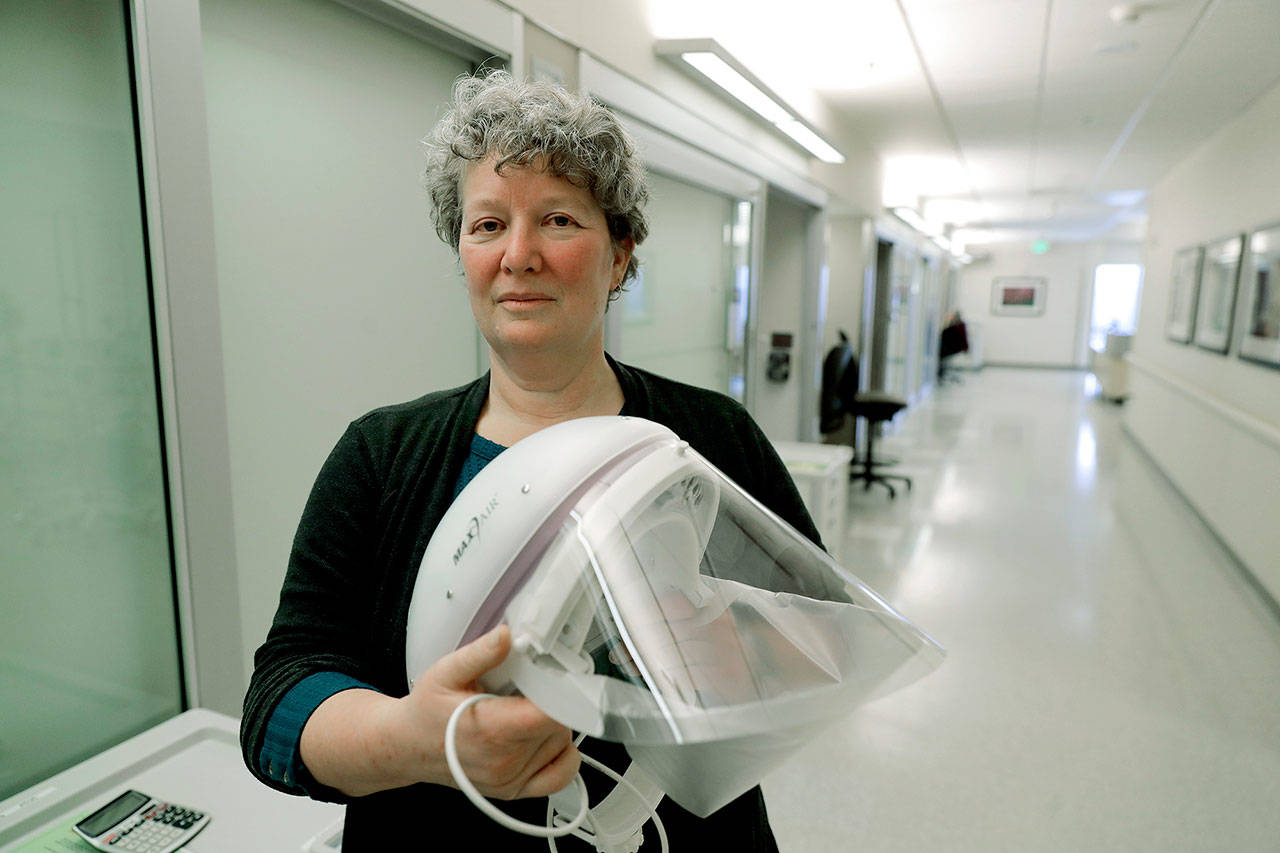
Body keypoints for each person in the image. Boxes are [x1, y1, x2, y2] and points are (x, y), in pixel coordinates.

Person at [240, 69, 823, 850]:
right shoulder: (380, 457)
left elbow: (820, 635)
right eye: (486, 226)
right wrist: (415, 738)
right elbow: (280, 695)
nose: (519, 255)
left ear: (620, 255)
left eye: (556, 219)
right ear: (463, 253)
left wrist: (737, 646)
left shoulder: (711, 435)